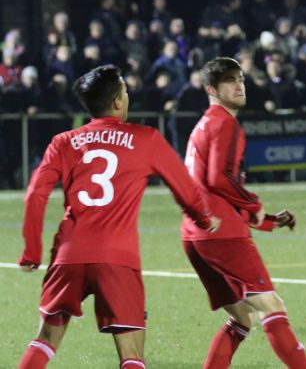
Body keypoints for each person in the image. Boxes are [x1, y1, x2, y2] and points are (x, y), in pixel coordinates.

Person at [17, 64, 219, 369]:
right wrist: (204, 219)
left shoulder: (63, 141)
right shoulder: (146, 138)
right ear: (117, 102)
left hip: (69, 255)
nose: (128, 95)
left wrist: (32, 250)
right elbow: (186, 189)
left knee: (46, 339)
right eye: (125, 90)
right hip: (117, 257)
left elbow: (35, 194)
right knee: (132, 354)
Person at [181, 57, 306, 369]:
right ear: (211, 89)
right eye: (229, 80)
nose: (239, 85)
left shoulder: (203, 125)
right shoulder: (225, 123)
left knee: (242, 318)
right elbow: (218, 179)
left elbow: (207, 186)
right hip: (222, 236)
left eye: (240, 78)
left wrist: (264, 221)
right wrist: (254, 204)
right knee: (272, 306)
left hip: (196, 235)